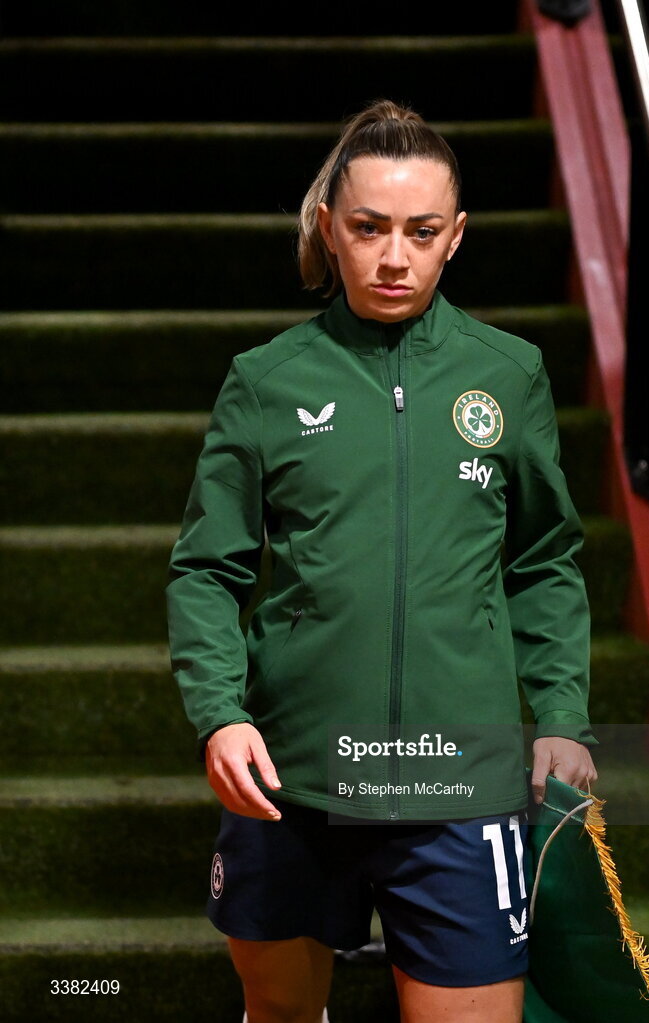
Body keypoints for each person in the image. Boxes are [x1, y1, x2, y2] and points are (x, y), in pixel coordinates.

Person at [166, 99, 598, 1023]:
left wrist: (562, 711)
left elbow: (545, 559)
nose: (394, 255)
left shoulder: (507, 373)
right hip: (295, 779)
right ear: (331, 227)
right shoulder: (267, 380)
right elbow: (209, 570)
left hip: (458, 780)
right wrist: (218, 715)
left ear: (457, 237)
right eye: (368, 228)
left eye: (421, 230)